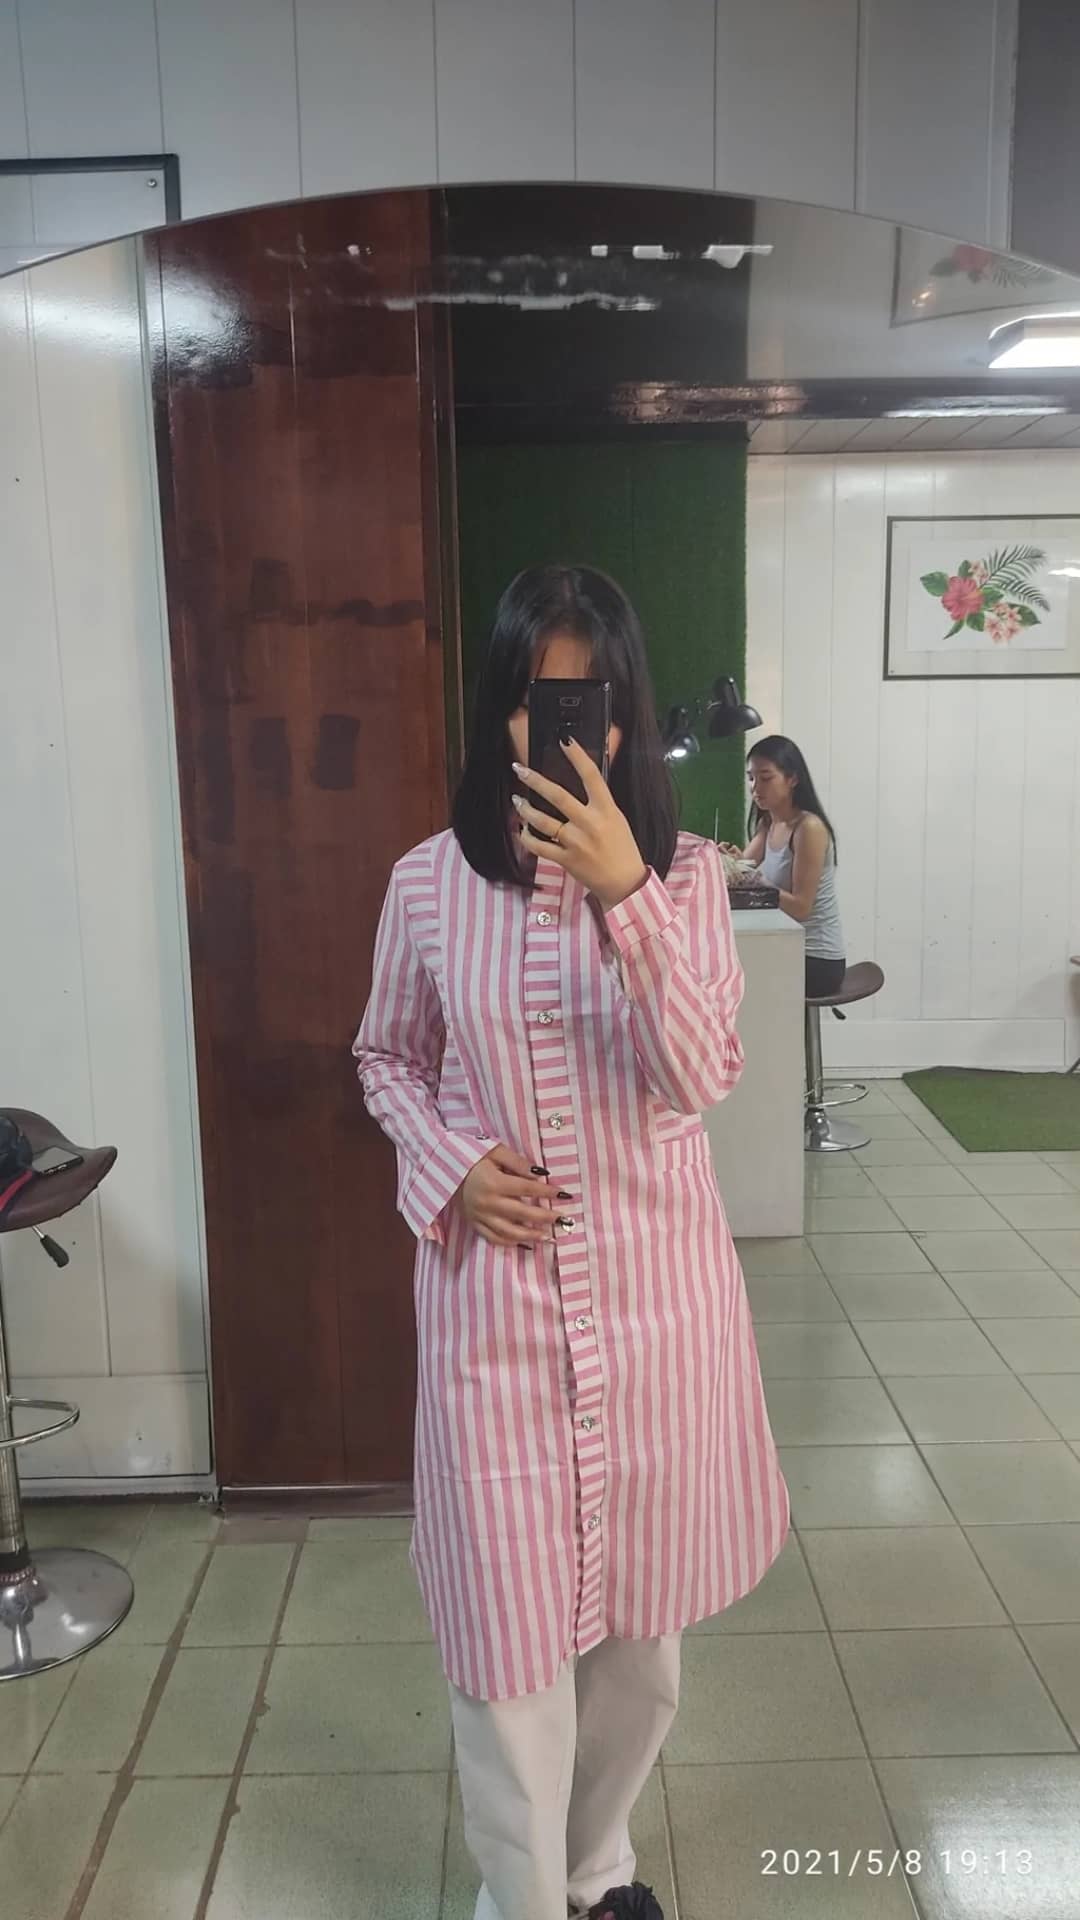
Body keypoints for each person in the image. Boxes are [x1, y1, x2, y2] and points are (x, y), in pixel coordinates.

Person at [352, 564, 789, 1920]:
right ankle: (524, 1901)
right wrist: (450, 1167)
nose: (561, 732)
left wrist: (625, 897)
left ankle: (597, 1868)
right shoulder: (429, 885)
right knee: (507, 1653)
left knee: (641, 1648)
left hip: (659, 1319)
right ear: (498, 713)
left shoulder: (691, 879)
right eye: (533, 703)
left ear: (624, 716)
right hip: (497, 1320)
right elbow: (386, 1058)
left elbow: (702, 1074)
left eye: (586, 705)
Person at [723, 734, 845, 998]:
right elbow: (743, 868)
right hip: (787, 945)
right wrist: (728, 860)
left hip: (817, 959)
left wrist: (755, 881)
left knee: (734, 977)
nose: (755, 788)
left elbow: (801, 907)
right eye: (751, 778)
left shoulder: (808, 828)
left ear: (792, 779)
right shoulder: (768, 823)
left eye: (766, 778)